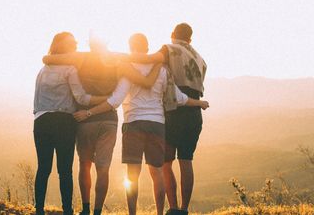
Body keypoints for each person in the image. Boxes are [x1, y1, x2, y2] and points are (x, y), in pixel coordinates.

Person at [74, 34, 209, 215]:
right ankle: (160, 213)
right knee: (157, 173)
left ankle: (132, 213)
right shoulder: (162, 69)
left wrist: (89, 112)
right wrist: (199, 103)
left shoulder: (128, 69)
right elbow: (179, 98)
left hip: (133, 124)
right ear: (147, 48)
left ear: (131, 48)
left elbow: (115, 101)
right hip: (157, 124)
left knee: (132, 175)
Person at [42, 37, 162, 215]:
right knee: (103, 168)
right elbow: (145, 78)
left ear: (90, 44)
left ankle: (85, 208)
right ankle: (98, 210)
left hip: (85, 118)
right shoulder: (117, 60)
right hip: (108, 120)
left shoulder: (80, 57)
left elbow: (47, 59)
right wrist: (159, 59)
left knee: (85, 165)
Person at [127, 24, 207, 215]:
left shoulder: (169, 49)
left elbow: (147, 59)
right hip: (193, 112)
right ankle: (184, 209)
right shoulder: (200, 59)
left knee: (166, 162)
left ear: (173, 35)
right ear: (191, 38)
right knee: (186, 160)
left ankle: (172, 208)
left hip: (173, 110)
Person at [33, 32, 108, 215]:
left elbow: (36, 101)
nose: (75, 45)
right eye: (72, 43)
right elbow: (81, 97)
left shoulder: (43, 70)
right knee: (65, 170)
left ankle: (39, 210)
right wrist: (106, 99)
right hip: (64, 122)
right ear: (64, 47)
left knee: (43, 168)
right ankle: (67, 209)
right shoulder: (70, 69)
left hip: (41, 121)